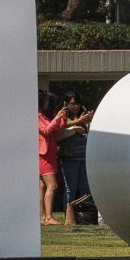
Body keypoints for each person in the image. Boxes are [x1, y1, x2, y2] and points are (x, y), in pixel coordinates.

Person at [57, 94, 93, 224]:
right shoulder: (62, 116)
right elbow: (58, 131)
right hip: (69, 157)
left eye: (77, 104)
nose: (75, 106)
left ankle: (85, 217)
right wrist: (77, 123)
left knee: (85, 188)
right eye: (72, 103)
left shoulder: (83, 116)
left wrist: (90, 121)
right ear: (66, 103)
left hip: (84, 157)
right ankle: (69, 217)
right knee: (70, 188)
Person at [36, 92, 67, 225]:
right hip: (43, 155)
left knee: (42, 186)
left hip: (50, 154)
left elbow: (56, 131)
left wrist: (62, 118)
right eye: (46, 101)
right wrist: (57, 117)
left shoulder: (44, 116)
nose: (47, 104)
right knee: (52, 185)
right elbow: (46, 131)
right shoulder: (36, 117)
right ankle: (48, 216)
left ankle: (43, 217)